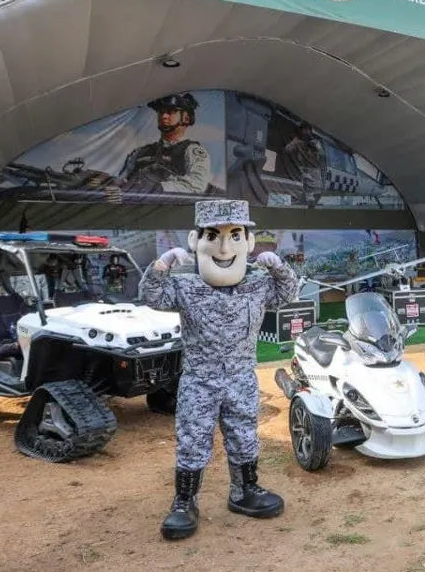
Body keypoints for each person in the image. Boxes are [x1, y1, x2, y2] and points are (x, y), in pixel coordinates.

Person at [142, 199, 300, 541]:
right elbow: (153, 296)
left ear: (249, 242)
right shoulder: (186, 286)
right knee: (193, 438)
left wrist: (279, 267)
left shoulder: (258, 284)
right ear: (195, 240)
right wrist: (162, 263)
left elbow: (287, 294)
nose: (225, 247)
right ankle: (184, 502)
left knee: (244, 434)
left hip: (241, 376)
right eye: (213, 236)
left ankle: (245, 492)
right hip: (200, 378)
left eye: (235, 235)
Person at [116, 93, 212, 194]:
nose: (164, 116)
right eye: (161, 112)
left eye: (171, 112)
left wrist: (157, 188)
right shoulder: (139, 152)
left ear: (186, 118)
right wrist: (106, 180)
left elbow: (197, 185)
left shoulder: (192, 151)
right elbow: (119, 182)